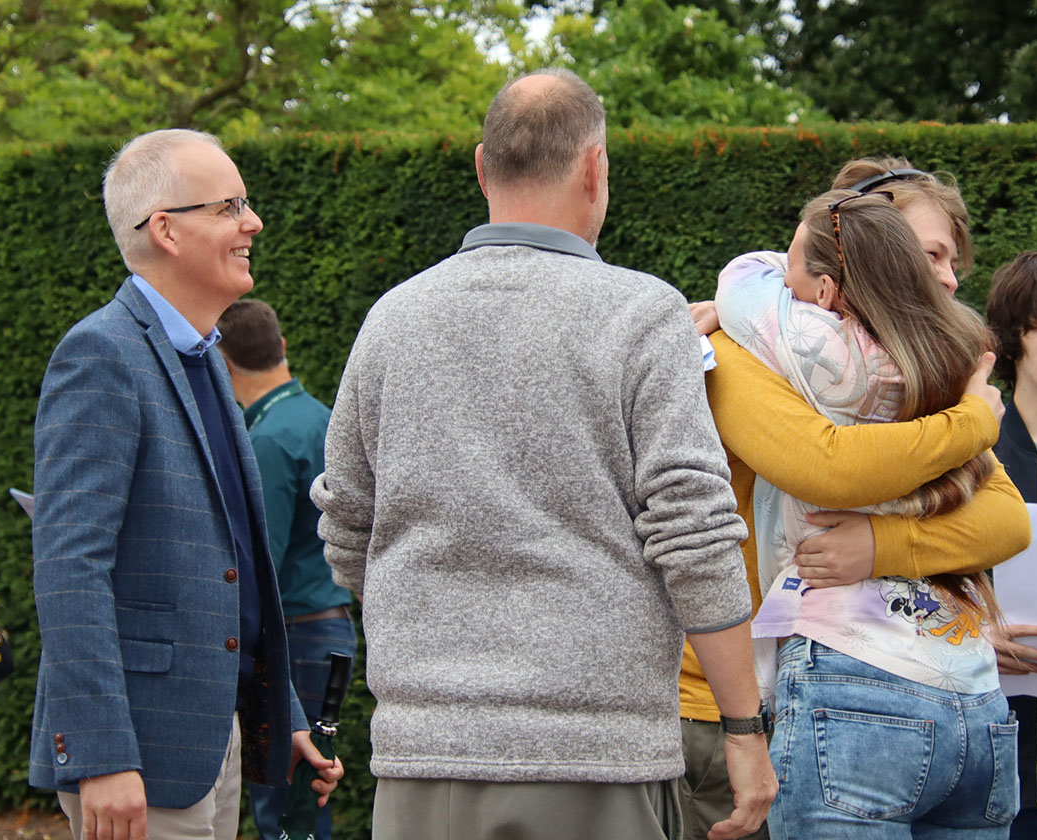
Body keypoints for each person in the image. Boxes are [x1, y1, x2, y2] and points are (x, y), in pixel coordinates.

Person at [311, 68, 777, 840]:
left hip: (422, 758)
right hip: (598, 760)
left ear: (481, 168)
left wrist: (437, 634)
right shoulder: (644, 314)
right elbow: (694, 534)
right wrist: (742, 729)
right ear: (595, 168)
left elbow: (347, 525)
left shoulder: (393, 319)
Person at [678, 158, 1030, 840]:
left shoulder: (925, 369)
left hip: (868, 691)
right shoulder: (749, 351)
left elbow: (1006, 518)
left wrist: (882, 548)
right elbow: (827, 468)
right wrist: (975, 422)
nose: (950, 278)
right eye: (929, 253)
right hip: (732, 709)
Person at [28, 129, 342, 840]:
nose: (252, 222)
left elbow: (233, 575)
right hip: (139, 757)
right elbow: (70, 568)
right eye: (230, 206)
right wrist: (102, 755)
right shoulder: (101, 354)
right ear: (165, 229)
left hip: (211, 742)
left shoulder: (200, 358)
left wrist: (279, 716)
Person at [216, 298, 357, 840]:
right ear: (283, 348)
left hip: (293, 633)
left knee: (284, 807)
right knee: (306, 797)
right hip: (328, 625)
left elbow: (257, 567)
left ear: (223, 363)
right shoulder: (323, 417)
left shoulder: (267, 439)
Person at [987, 250, 1037, 838]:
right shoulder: (973, 459)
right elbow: (911, 586)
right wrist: (970, 637)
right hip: (1013, 771)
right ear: (1013, 341)